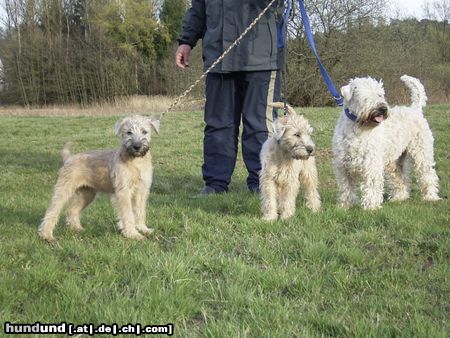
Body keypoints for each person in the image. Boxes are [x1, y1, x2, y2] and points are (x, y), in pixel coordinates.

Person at [176, 0, 285, 195]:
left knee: (259, 125)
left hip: (260, 58)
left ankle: (262, 183)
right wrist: (186, 41)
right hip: (218, 57)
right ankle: (215, 185)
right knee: (218, 125)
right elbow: (198, 10)